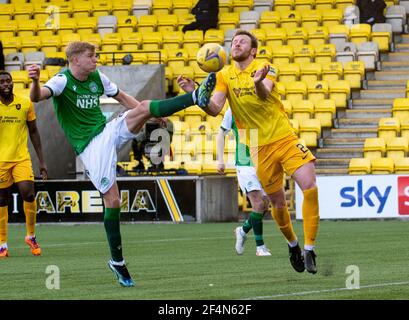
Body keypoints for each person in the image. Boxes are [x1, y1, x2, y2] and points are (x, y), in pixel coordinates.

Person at [28, 41, 216, 286]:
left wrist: (150, 113)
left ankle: (195, 97)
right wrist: (34, 81)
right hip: (90, 147)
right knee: (113, 201)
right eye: (91, 56)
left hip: (106, 131)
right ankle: (117, 261)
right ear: (75, 60)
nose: (96, 60)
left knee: (146, 106)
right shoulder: (62, 80)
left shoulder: (97, 77)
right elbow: (38, 96)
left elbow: (122, 96)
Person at [178, 30, 320, 274]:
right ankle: (293, 244)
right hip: (257, 147)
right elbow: (215, 109)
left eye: (242, 41)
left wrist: (256, 83)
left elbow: (265, 92)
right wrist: (197, 95)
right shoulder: (223, 75)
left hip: (284, 138)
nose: (236, 43)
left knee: (309, 185)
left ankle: (309, 247)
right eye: (234, 41)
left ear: (253, 50)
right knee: (276, 202)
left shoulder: (266, 66)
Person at [0, 70, 48, 258]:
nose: (6, 84)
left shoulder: (25, 103)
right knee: (1, 200)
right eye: (2, 81)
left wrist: (42, 162)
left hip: (21, 158)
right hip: (1, 160)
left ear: (13, 83)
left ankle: (31, 236)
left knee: (28, 193)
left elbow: (34, 131)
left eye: (8, 81)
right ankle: (2, 243)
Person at [216, 107, 271, 257]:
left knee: (265, 204)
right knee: (258, 204)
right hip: (245, 162)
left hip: (264, 162)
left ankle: (242, 230)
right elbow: (221, 133)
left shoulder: (261, 104)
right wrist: (220, 160)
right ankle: (260, 247)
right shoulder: (232, 110)